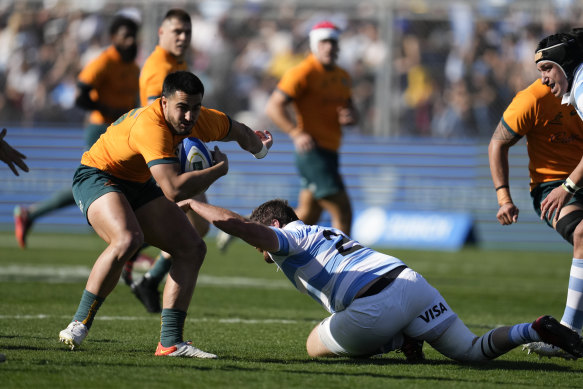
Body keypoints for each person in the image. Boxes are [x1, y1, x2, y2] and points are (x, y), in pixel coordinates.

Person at [178, 197, 583, 362]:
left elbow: (238, 226)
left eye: (262, 237)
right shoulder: (323, 231)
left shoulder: (289, 236)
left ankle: (400, 340)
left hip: (375, 304)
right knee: (472, 351)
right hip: (411, 282)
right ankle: (534, 329)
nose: (260, 251)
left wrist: (194, 203)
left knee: (312, 346)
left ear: (278, 224)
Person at [58, 71, 231, 358]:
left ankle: (171, 343)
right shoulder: (152, 124)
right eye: (183, 108)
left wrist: (258, 145)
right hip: (97, 175)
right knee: (127, 239)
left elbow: (234, 129)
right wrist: (217, 170)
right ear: (164, 103)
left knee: (191, 248)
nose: (190, 116)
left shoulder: (198, 117)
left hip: (139, 183)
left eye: (196, 108)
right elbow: (175, 190)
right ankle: (79, 322)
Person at [127, 9, 273, 314]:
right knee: (189, 228)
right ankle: (139, 261)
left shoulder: (177, 64)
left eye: (187, 33)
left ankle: (147, 275)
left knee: (193, 226)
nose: (182, 37)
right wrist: (196, 154)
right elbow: (166, 118)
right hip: (162, 154)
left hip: (169, 151)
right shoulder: (159, 67)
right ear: (161, 34)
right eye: (177, 31)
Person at [13, 15, 140, 249]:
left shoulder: (133, 67)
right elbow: (80, 96)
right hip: (100, 130)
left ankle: (31, 214)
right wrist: (107, 109)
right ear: (113, 38)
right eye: (125, 36)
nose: (131, 41)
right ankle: (122, 239)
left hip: (121, 131)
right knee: (97, 183)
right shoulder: (104, 62)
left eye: (133, 36)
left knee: (112, 182)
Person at [488, 77, 583, 359]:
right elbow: (497, 144)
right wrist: (504, 198)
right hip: (553, 187)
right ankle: (566, 335)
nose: (544, 76)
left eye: (548, 68)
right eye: (540, 68)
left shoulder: (579, 91)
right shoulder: (532, 98)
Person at [264, 21, 358, 239]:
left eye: (333, 42)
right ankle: (342, 267)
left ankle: (252, 229)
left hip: (330, 152)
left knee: (307, 215)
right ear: (315, 44)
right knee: (343, 210)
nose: (329, 47)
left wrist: (350, 117)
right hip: (313, 153)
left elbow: (351, 111)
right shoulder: (303, 72)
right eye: (324, 42)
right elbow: (274, 106)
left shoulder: (343, 76)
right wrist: (295, 132)